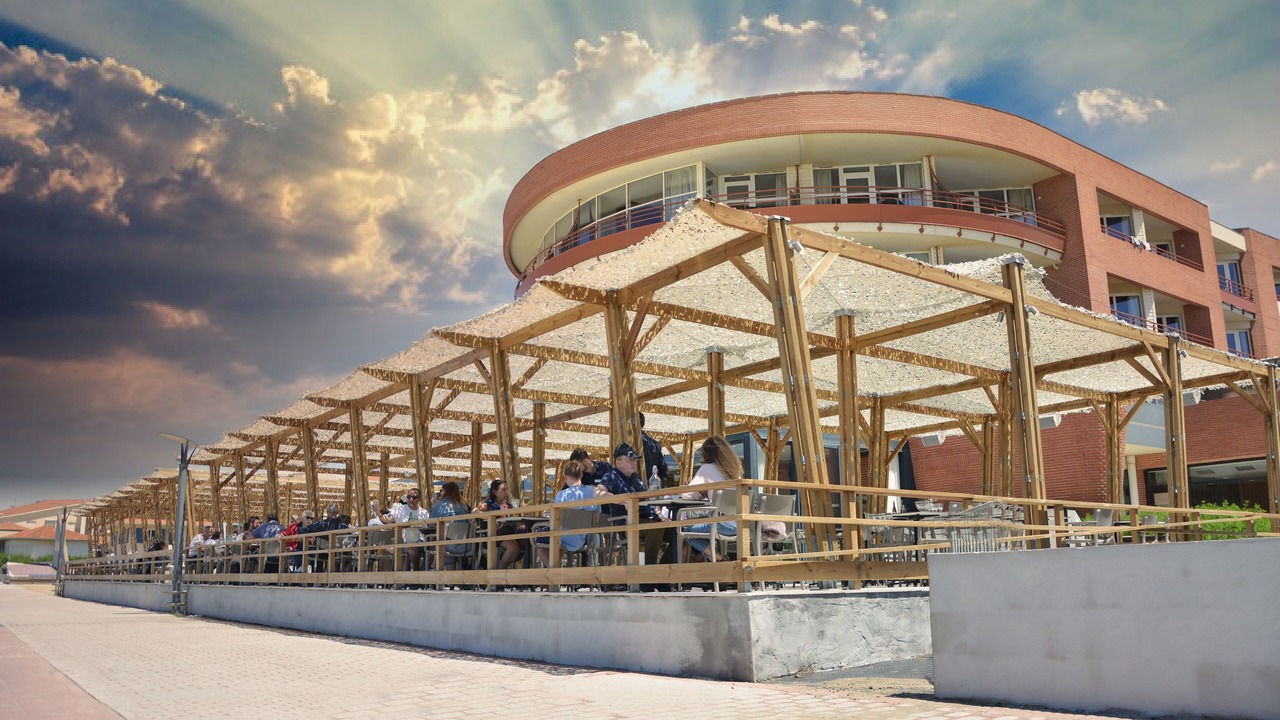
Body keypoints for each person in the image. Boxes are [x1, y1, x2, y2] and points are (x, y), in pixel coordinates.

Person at [680, 435, 784, 561]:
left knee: (687, 532)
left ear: (705, 453)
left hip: (724, 523)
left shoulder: (707, 468)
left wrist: (702, 493)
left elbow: (686, 494)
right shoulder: (734, 471)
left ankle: (720, 558)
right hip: (744, 524)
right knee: (708, 527)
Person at [596, 442, 665, 564]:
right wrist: (624, 501)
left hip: (649, 520)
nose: (634, 462)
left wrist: (660, 515)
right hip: (629, 523)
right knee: (655, 528)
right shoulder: (612, 476)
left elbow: (649, 500)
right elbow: (597, 493)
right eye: (630, 460)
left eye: (635, 459)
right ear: (618, 462)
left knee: (679, 530)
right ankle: (648, 574)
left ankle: (664, 570)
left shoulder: (636, 478)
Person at [535, 460, 599, 567]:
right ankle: (554, 572)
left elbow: (555, 519)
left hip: (562, 538)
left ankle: (552, 573)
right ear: (581, 474)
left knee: (535, 536)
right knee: (555, 543)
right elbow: (596, 519)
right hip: (585, 539)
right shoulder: (593, 492)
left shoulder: (561, 495)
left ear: (565, 477)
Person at [476, 479, 525, 569]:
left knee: (529, 542)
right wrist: (490, 518)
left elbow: (514, 519)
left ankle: (528, 573)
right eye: (503, 490)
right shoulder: (488, 504)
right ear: (495, 491)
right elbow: (475, 513)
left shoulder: (509, 506)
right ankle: (500, 574)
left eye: (507, 489)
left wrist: (519, 524)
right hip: (493, 535)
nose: (506, 492)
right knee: (513, 547)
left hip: (510, 534)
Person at [429, 481, 471, 568]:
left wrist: (433, 504)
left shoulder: (439, 505)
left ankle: (434, 568)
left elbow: (431, 525)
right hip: (465, 546)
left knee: (439, 540)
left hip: (446, 546)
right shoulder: (463, 506)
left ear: (445, 491)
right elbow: (468, 522)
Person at [388, 489, 430, 570]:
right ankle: (416, 571)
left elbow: (427, 528)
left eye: (414, 498)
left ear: (419, 499)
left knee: (436, 548)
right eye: (409, 497)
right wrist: (379, 514)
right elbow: (387, 520)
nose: (411, 499)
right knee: (412, 550)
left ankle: (424, 569)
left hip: (420, 542)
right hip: (404, 542)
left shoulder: (424, 512)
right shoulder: (400, 509)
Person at [639, 412, 668, 486]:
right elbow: (664, 470)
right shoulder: (655, 444)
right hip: (651, 488)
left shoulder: (629, 443)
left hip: (634, 488)